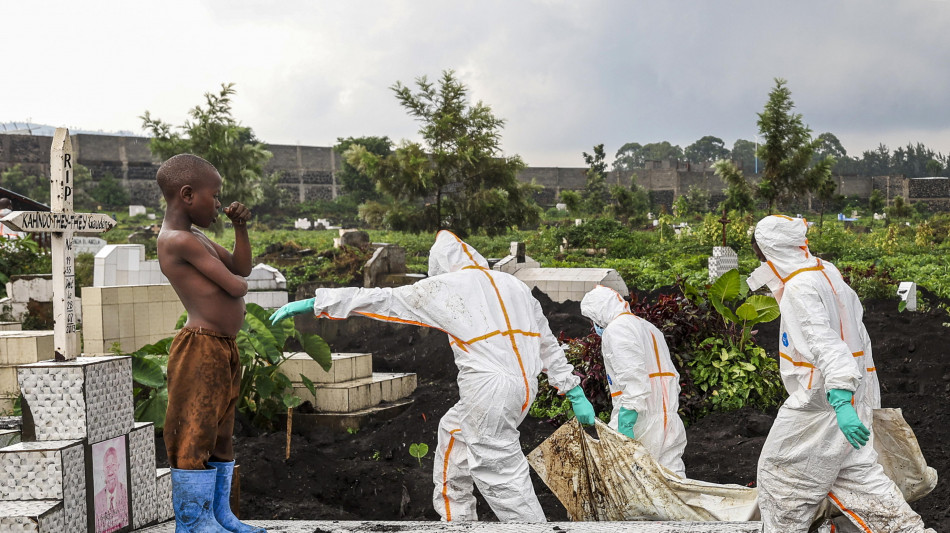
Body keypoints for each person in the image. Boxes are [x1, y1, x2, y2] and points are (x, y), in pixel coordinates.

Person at [269, 230, 596, 523]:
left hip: (489, 391)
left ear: (440, 266)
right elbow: (548, 342)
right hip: (524, 387)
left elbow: (387, 300)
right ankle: (459, 519)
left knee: (500, 474)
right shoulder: (513, 285)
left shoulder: (449, 285)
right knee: (453, 431)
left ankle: (533, 529)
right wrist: (573, 392)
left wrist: (319, 302)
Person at [750, 215, 932, 533]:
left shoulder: (800, 288)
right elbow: (856, 332)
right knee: (858, 478)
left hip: (821, 402)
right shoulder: (825, 270)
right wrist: (858, 399)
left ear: (771, 250)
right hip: (849, 393)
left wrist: (840, 399)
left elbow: (827, 346)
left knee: (780, 475)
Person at [156, 154, 263, 533]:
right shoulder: (178, 240)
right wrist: (238, 282)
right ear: (187, 195)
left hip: (221, 347)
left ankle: (221, 515)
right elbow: (237, 284)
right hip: (199, 348)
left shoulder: (197, 236)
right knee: (194, 433)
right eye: (214, 196)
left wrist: (240, 228)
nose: (219, 204)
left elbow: (242, 265)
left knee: (220, 432)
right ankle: (194, 521)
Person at [579, 285, 687, 477]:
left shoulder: (617, 329)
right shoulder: (649, 328)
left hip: (640, 419)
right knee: (672, 482)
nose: (594, 324)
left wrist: (627, 419)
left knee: (622, 481)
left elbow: (633, 376)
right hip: (668, 418)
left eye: (593, 319)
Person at [95, 446, 129, 532]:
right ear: (103, 469)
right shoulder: (97, 500)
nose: (110, 471)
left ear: (118, 467)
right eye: (107, 467)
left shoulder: (126, 492)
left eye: (113, 465)